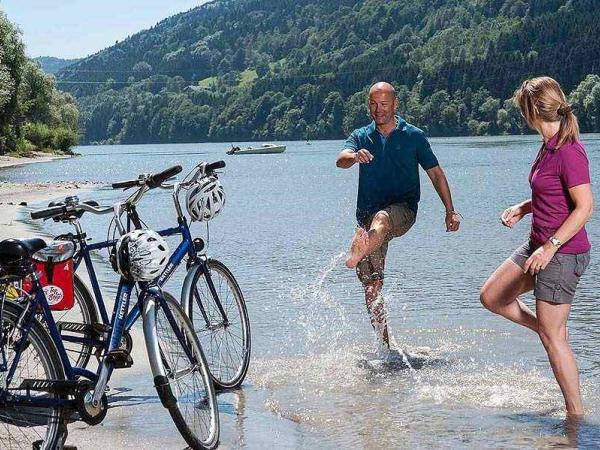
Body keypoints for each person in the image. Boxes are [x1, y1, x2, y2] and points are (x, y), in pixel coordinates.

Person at [480, 77, 593, 417]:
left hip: (563, 252)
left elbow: (585, 206)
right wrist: (524, 207)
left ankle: (575, 418)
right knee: (492, 296)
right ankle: (549, 327)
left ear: (531, 111)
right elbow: (553, 193)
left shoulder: (569, 151)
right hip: (537, 244)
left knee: (553, 341)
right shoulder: (549, 145)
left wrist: (551, 247)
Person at [336, 81, 461, 358]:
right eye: (373, 104)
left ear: (396, 104)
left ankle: (360, 249)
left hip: (403, 210)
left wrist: (450, 210)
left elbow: (436, 174)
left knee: (382, 218)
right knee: (372, 287)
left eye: (384, 104)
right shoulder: (361, 136)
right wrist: (355, 156)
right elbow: (341, 159)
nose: (378, 110)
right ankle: (385, 347)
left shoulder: (414, 136)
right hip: (366, 220)